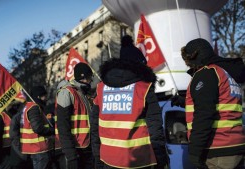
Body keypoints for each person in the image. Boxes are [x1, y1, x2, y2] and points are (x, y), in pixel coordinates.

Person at [90, 35, 169, 169]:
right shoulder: (144, 88)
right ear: (140, 65)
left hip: (109, 160)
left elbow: (95, 127)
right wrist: (161, 160)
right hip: (139, 161)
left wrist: (98, 159)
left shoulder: (101, 89)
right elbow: (155, 129)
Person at [181, 38, 245, 169]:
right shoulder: (225, 75)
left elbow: (204, 114)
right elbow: (221, 106)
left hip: (218, 151)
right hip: (235, 147)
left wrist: (194, 150)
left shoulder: (206, 74)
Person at [55, 62, 94, 169]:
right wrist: (70, 153)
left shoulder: (82, 93)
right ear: (85, 77)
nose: (92, 80)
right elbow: (62, 125)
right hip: (75, 148)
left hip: (85, 145)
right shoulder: (67, 92)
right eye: (91, 77)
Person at [19, 86, 55, 169]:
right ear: (38, 97)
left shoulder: (28, 106)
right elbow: (38, 128)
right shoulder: (34, 107)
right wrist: (52, 130)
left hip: (35, 148)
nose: (46, 98)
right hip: (39, 148)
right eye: (44, 96)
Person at [0, 99, 24, 169]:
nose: (15, 106)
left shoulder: (18, 116)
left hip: (16, 152)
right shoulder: (1, 117)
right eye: (13, 104)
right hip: (5, 153)